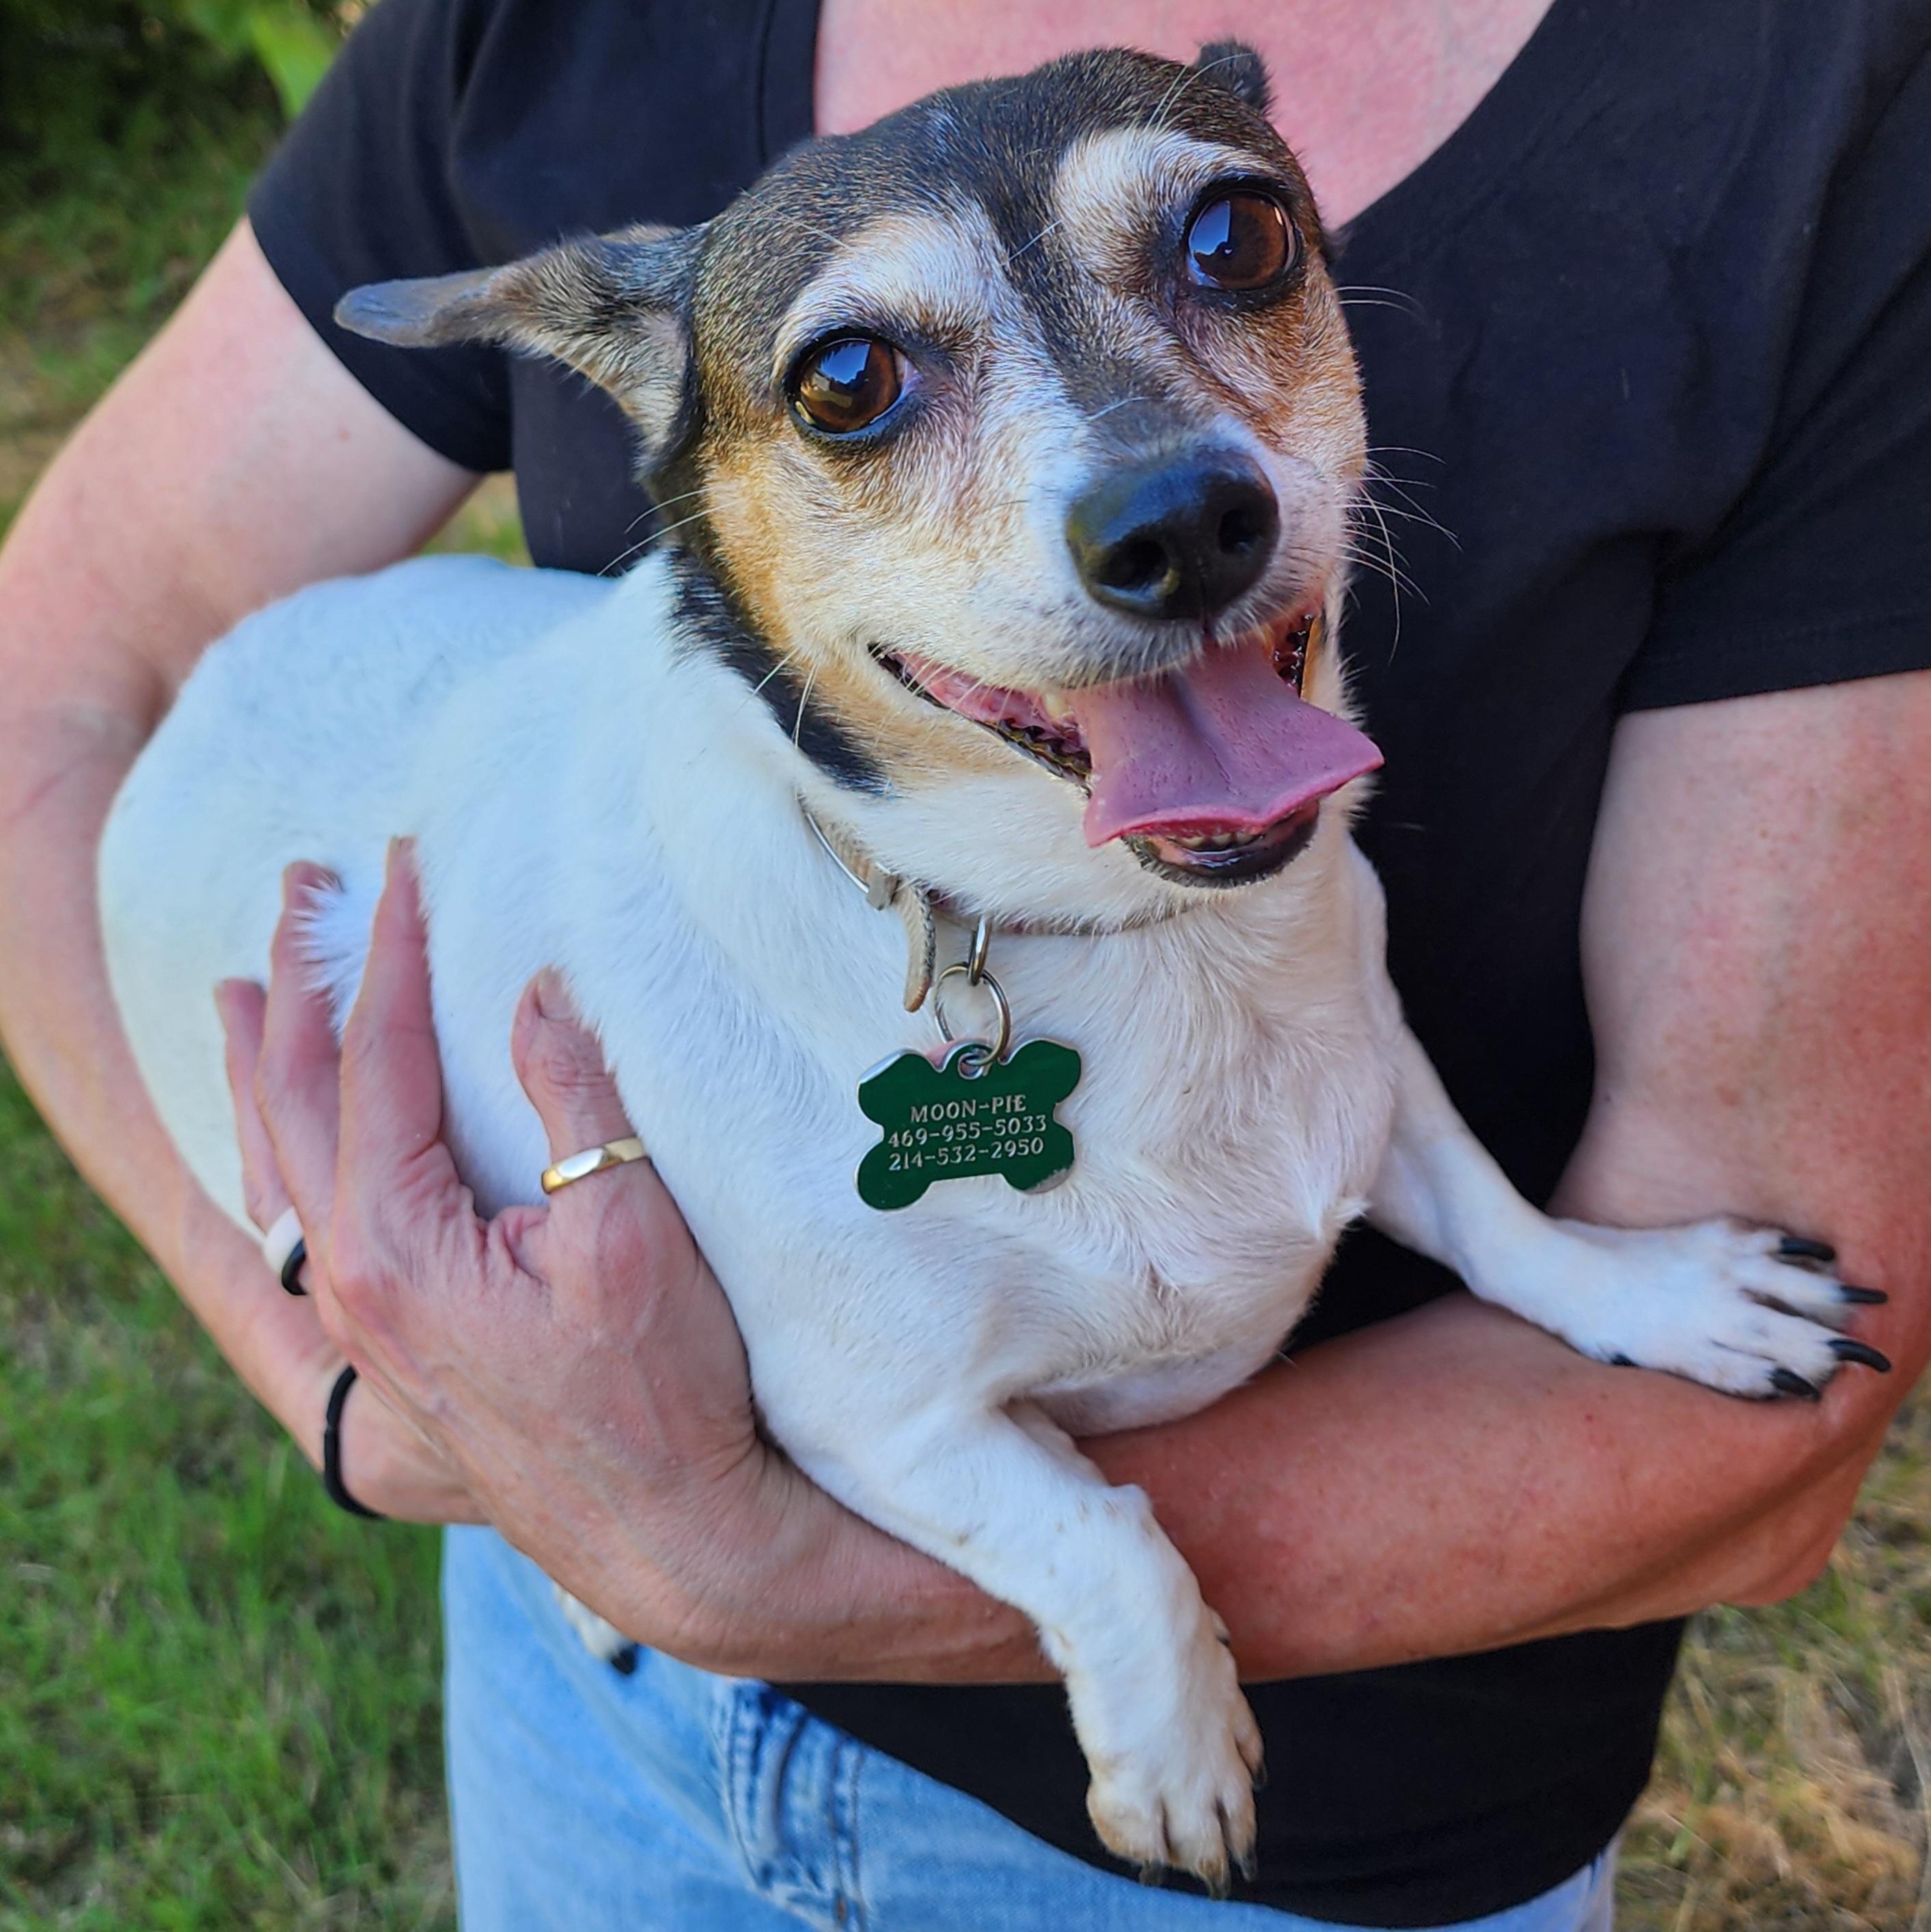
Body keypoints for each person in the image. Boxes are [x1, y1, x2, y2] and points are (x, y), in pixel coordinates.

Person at [3, 0, 1929, 1924]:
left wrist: (735, 1571)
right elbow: (58, 673)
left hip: (1329, 1842)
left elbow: (1352, 1062)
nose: (1149, 480)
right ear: (669, 416)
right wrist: (354, 1398)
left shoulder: (1823, 93)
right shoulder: (527, 33)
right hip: (584, 1689)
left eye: (1221, 251)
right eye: (856, 380)